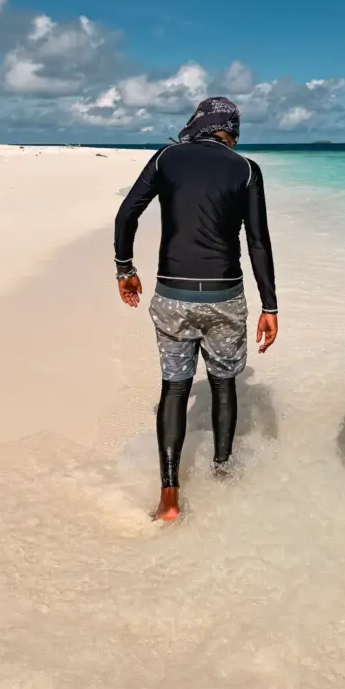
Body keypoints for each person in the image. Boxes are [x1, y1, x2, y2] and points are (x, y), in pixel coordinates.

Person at [114, 97, 278, 522]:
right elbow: (258, 242)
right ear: (233, 133)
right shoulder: (245, 169)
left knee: (174, 388)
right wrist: (270, 305)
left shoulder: (167, 158)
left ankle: (169, 496)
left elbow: (127, 213)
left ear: (197, 124)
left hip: (173, 294)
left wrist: (124, 269)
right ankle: (223, 472)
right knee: (224, 385)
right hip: (225, 295)